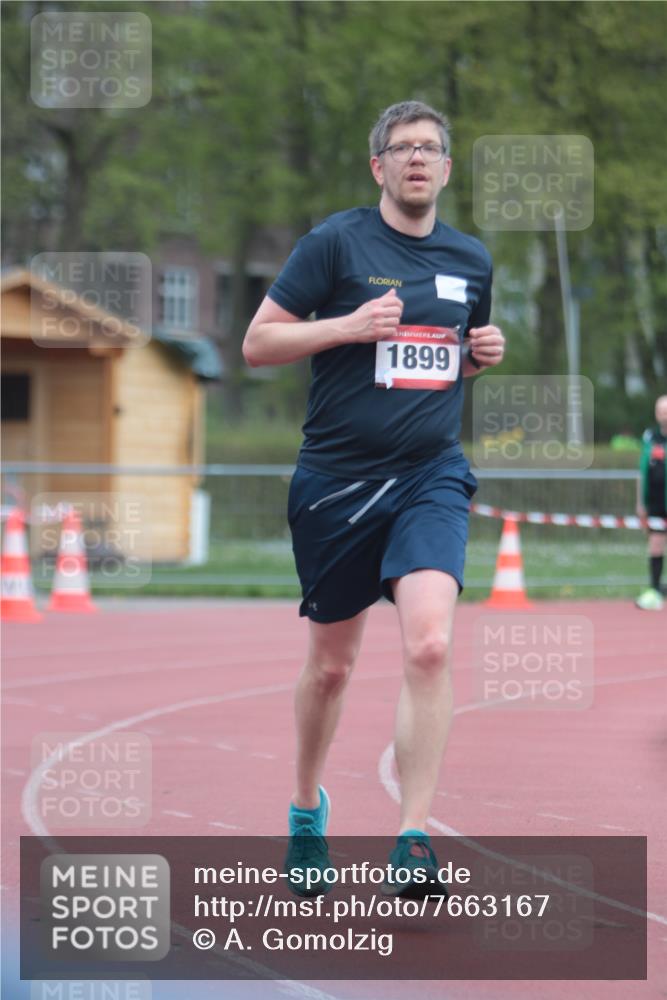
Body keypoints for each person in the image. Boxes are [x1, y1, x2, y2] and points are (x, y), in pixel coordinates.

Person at [243, 100, 505, 896]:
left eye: (430, 148)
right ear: (379, 166)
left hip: (430, 475)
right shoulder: (335, 242)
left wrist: (478, 357)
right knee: (331, 667)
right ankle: (304, 811)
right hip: (336, 482)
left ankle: (413, 837)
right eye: (403, 148)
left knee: (428, 644)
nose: (417, 159)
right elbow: (258, 344)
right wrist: (347, 326)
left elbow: (442, 359)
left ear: (447, 168)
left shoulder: (471, 260)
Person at [635, 394, 667, 611]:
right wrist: (640, 503)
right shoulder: (650, 437)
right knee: (655, 544)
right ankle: (655, 589)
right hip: (655, 503)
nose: (664, 414)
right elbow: (642, 471)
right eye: (661, 410)